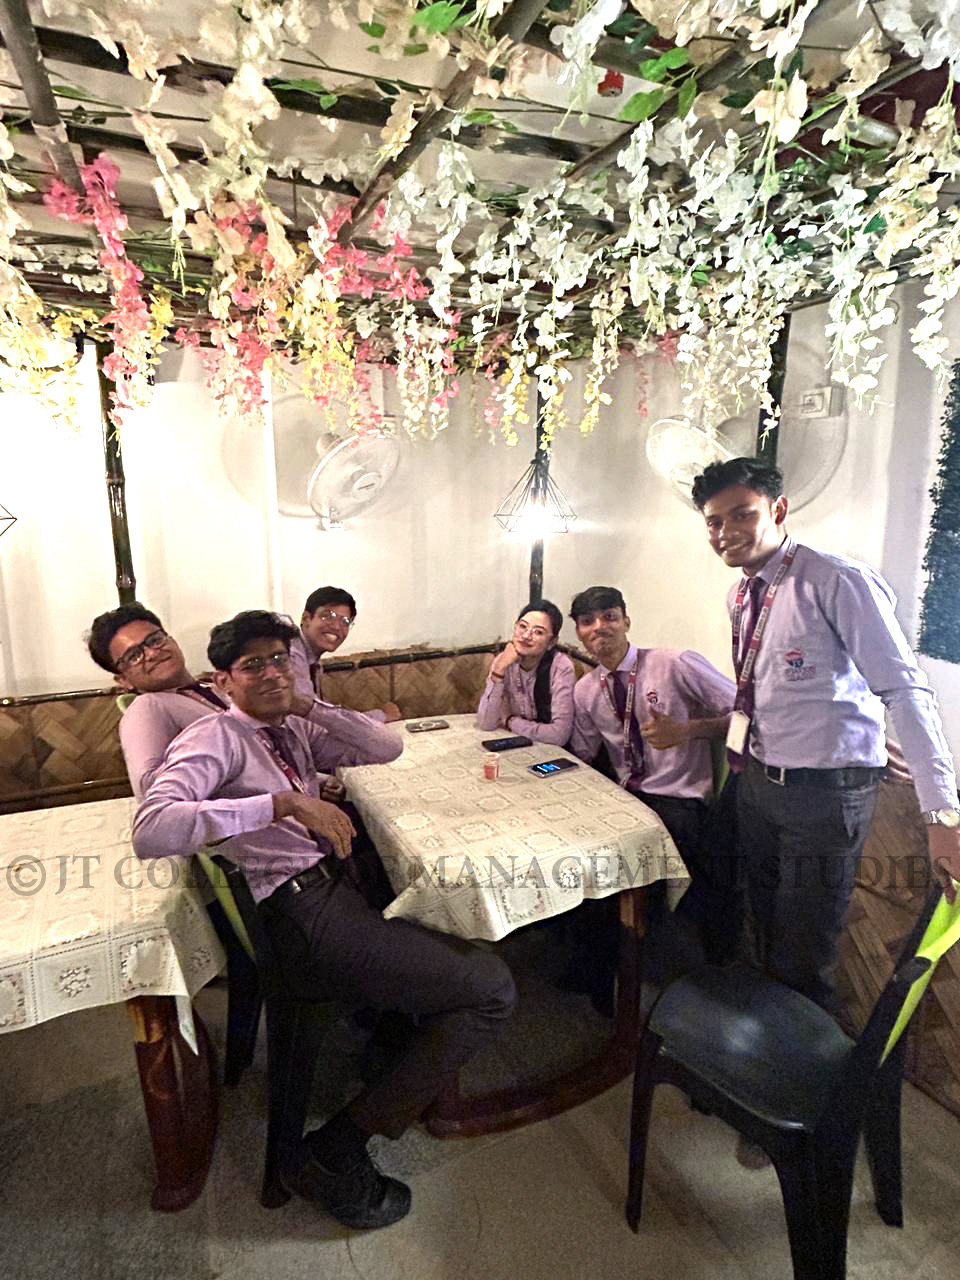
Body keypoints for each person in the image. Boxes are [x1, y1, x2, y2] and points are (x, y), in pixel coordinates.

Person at [133, 610, 516, 1230]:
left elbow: (387, 746)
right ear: (222, 681)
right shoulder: (215, 737)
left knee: (436, 916)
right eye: (252, 665)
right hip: (299, 916)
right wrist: (280, 804)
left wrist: (307, 704)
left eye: (279, 658)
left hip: (327, 891)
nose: (271, 672)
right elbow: (152, 829)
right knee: (492, 990)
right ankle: (334, 1151)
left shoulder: (286, 729)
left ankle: (394, 1052)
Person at [691, 456, 960, 1013]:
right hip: (757, 782)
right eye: (714, 521)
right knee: (762, 923)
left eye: (742, 514)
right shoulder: (739, 595)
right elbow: (769, 691)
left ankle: (801, 1060)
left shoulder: (835, 580)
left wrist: (942, 814)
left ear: (778, 510)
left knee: (804, 948)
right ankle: (766, 1040)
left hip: (823, 798)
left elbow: (905, 690)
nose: (725, 532)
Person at [87, 603, 353, 802]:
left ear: (171, 639)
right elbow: (152, 791)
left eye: (155, 640)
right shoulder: (148, 708)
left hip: (307, 811)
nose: (152, 653)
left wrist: (314, 780)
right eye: (134, 655)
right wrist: (273, 802)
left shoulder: (215, 688)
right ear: (123, 679)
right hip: (261, 834)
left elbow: (263, 753)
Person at [290, 586, 401, 723]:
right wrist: (380, 715)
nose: (337, 626)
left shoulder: (312, 659)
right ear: (306, 619)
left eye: (345, 621)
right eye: (327, 616)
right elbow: (317, 718)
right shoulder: (291, 657)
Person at [476, 599, 575, 746]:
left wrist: (510, 721)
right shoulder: (504, 660)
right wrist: (498, 671)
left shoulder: (561, 667)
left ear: (551, 642)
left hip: (552, 750)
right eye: (522, 626)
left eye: (538, 632)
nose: (526, 635)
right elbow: (486, 723)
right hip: (520, 745)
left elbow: (558, 735)